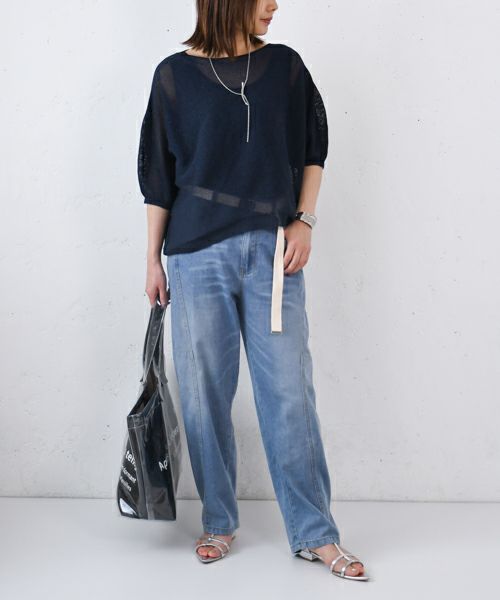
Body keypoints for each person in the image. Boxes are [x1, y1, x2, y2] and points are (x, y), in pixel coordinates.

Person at [139, 0, 369, 582]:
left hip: (273, 255)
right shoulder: (173, 76)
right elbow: (158, 180)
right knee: (204, 395)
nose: (273, 5)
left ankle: (316, 533)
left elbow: (313, 148)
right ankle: (218, 520)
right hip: (195, 255)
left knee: (289, 392)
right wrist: (152, 260)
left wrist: (304, 220)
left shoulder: (285, 67)